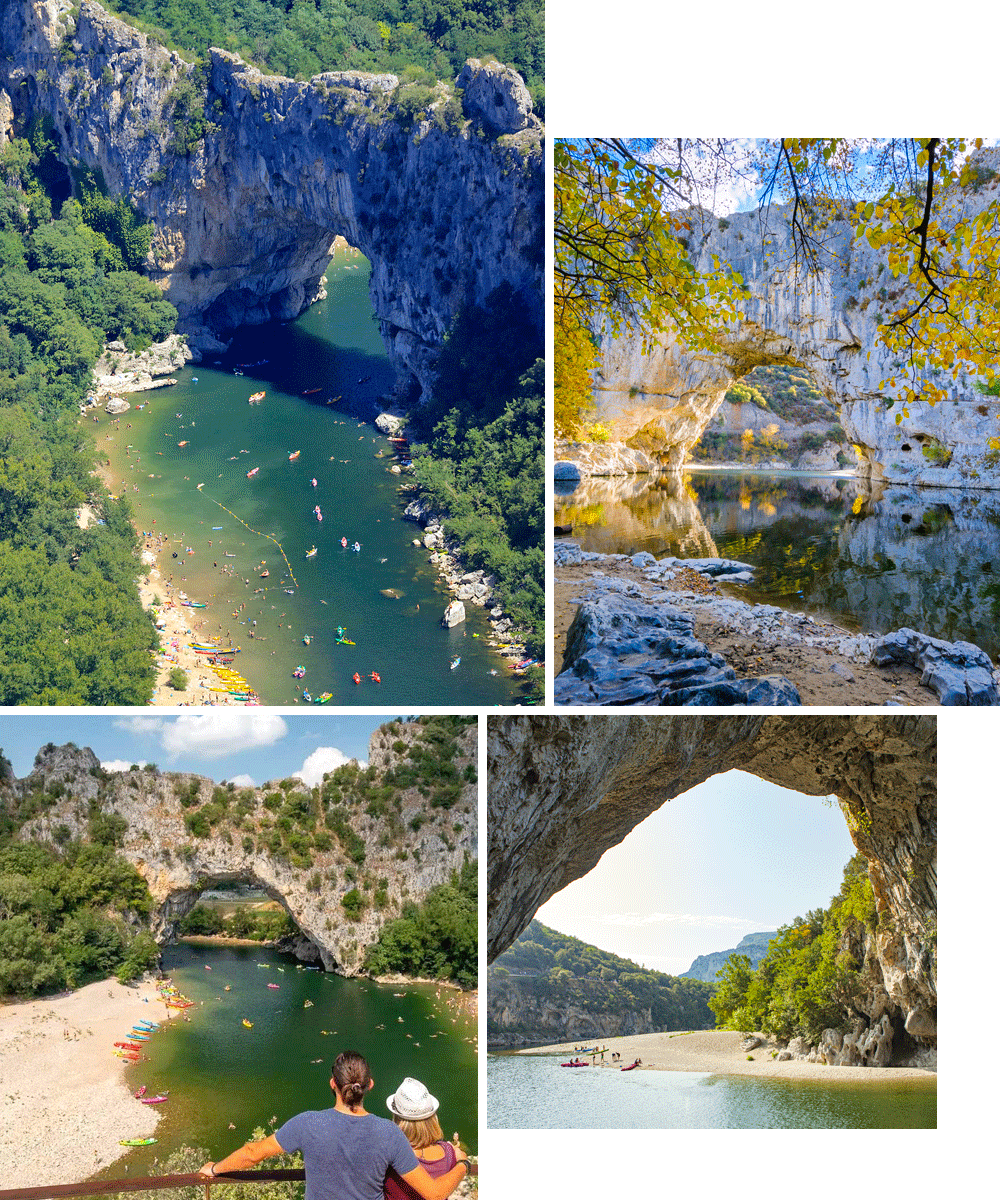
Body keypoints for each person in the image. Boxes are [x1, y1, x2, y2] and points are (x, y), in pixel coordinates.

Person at [199, 1051, 469, 1200]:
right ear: (370, 1086)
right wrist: (464, 1165)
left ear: (333, 1084)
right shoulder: (389, 1134)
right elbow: (434, 1194)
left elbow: (251, 1154)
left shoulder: (308, 1123)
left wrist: (215, 1169)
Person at [383, 1078, 464, 1200]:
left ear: (397, 1118)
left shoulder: (387, 1152)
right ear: (433, 1118)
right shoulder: (449, 1151)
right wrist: (463, 1163)